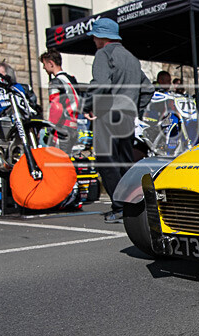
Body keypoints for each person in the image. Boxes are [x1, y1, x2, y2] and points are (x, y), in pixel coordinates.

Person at [83, 18, 154, 223]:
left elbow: (101, 84)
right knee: (124, 162)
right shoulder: (131, 58)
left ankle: (119, 207)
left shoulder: (104, 54)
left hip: (108, 114)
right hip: (127, 116)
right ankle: (131, 206)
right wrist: (137, 110)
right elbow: (148, 88)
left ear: (101, 36)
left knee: (106, 162)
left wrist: (88, 105)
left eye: (95, 36)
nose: (94, 40)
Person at [40, 48, 80, 154]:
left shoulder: (55, 82)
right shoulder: (72, 79)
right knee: (68, 160)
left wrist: (50, 129)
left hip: (62, 128)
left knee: (58, 162)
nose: (44, 67)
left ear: (51, 63)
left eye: (44, 64)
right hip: (74, 126)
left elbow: (56, 108)